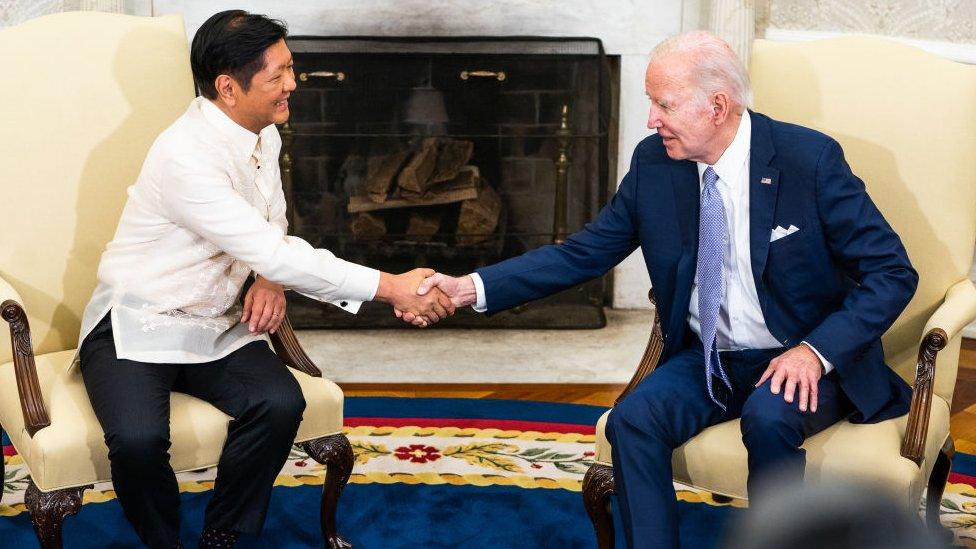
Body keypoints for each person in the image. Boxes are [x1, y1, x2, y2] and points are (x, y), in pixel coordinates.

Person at [415, 31, 917, 548]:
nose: (651, 119)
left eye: (663, 104)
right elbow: (582, 253)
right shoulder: (656, 162)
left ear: (717, 106)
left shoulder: (807, 159)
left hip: (802, 357)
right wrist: (468, 288)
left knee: (769, 418)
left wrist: (815, 353)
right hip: (711, 360)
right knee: (630, 422)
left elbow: (892, 272)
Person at [76, 10, 453, 548]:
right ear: (228, 88)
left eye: (290, 69)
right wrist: (391, 286)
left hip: (216, 324)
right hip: (137, 322)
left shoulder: (260, 132)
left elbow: (268, 227)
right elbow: (270, 246)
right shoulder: (186, 156)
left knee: (280, 404)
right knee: (137, 440)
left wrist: (268, 279)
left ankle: (224, 533)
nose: (291, 85)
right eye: (276, 76)